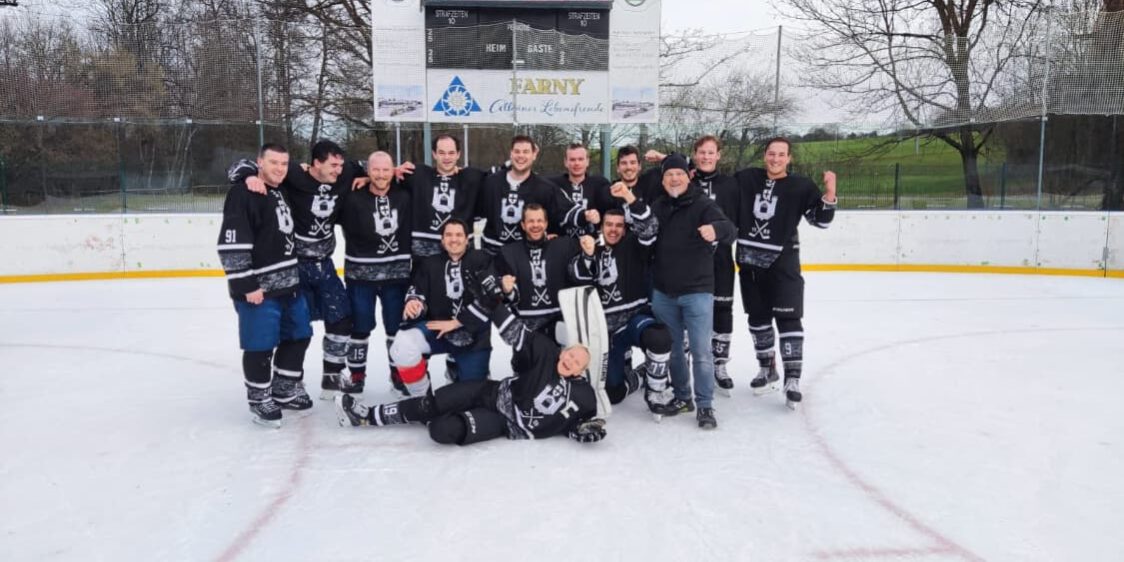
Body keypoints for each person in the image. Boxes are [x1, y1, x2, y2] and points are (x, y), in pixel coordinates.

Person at [335, 280, 606, 446]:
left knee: (442, 431)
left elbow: (574, 422)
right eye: (570, 354)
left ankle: (427, 415)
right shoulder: (547, 352)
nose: (571, 360)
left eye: (578, 362)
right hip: (492, 392)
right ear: (562, 352)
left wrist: (580, 430)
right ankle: (365, 416)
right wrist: (493, 302)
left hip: (506, 424)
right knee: (433, 402)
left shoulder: (584, 396)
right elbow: (513, 331)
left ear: (582, 371)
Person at [228, 140, 366, 399]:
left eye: (340, 165)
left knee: (341, 317)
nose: (339, 170)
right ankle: (291, 382)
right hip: (295, 265)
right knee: (296, 328)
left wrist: (379, 173)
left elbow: (374, 166)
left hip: (324, 264)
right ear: (315, 164)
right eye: (332, 165)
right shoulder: (292, 173)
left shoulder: (346, 172)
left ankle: (332, 377)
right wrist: (249, 176)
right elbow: (241, 166)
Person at [734, 137, 836, 409]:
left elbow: (821, 221)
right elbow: (713, 184)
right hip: (749, 264)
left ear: (789, 158)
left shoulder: (801, 186)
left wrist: (829, 192)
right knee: (758, 320)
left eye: (781, 155)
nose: (775, 159)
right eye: (771, 153)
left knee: (789, 320)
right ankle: (767, 368)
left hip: (784, 265)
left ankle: (792, 378)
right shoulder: (746, 178)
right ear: (764, 155)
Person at [216, 143, 313, 427]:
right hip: (259, 288)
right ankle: (259, 398)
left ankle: (284, 388)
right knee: (260, 343)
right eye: (273, 163)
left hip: (290, 284)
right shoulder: (244, 192)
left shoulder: (280, 187)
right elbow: (231, 244)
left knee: (299, 334)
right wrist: (246, 284)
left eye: (284, 163)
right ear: (260, 163)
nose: (280, 168)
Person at [646, 137, 742, 394]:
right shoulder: (658, 205)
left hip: (698, 290)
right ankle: (682, 396)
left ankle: (705, 403)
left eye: (679, 174)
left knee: (701, 352)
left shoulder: (702, 203)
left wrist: (716, 229)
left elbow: (730, 230)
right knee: (675, 351)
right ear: (663, 179)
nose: (674, 178)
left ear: (688, 177)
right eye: (669, 174)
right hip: (665, 292)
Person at [570, 195, 678, 418]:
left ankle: (656, 391)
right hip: (606, 331)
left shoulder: (634, 244)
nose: (614, 230)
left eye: (619, 226)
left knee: (659, 337)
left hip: (634, 319)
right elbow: (576, 277)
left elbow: (650, 228)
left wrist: (632, 200)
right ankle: (640, 374)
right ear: (601, 226)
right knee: (613, 392)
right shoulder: (590, 245)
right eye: (609, 225)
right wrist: (588, 257)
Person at [388, 219, 496, 393]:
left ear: (467, 239)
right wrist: (414, 302)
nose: (454, 239)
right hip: (438, 331)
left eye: (459, 235)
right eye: (449, 235)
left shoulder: (482, 260)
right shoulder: (430, 263)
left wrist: (457, 322)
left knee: (473, 397)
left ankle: (461, 373)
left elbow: (491, 298)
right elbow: (417, 291)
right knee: (401, 346)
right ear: (442, 240)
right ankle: (422, 398)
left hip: (474, 337)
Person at [336, 151, 412, 395]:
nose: (380, 175)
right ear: (368, 170)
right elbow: (338, 168)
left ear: (393, 170)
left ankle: (398, 375)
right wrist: (362, 174)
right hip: (360, 278)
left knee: (395, 328)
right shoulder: (351, 197)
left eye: (386, 170)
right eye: (375, 170)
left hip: (396, 277)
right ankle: (357, 376)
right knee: (360, 327)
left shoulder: (405, 195)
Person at [476, 135, 588, 255]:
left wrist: (585, 215)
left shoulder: (545, 187)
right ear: (511, 154)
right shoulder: (491, 182)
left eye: (526, 152)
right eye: (517, 151)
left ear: (534, 155)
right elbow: (473, 204)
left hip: (527, 255)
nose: (521, 156)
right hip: (493, 252)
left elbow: (564, 210)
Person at [496, 204, 581, 337]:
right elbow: (511, 298)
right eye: (531, 221)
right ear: (523, 225)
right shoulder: (508, 252)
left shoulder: (563, 245)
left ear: (546, 224)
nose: (535, 225)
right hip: (526, 329)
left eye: (539, 221)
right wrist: (508, 290)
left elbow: (590, 259)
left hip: (560, 324)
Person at [397, 134, 488, 257]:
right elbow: (379, 176)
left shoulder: (471, 177)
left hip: (460, 252)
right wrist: (391, 170)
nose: (446, 157)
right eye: (441, 153)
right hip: (424, 254)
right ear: (434, 154)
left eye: (451, 153)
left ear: (458, 154)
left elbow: (504, 173)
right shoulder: (418, 175)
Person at [548, 143, 609, 238]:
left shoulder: (600, 184)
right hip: (561, 245)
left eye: (581, 159)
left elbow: (610, 212)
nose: (577, 163)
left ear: (587, 161)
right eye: (572, 159)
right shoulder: (553, 184)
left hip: (591, 245)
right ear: (565, 162)